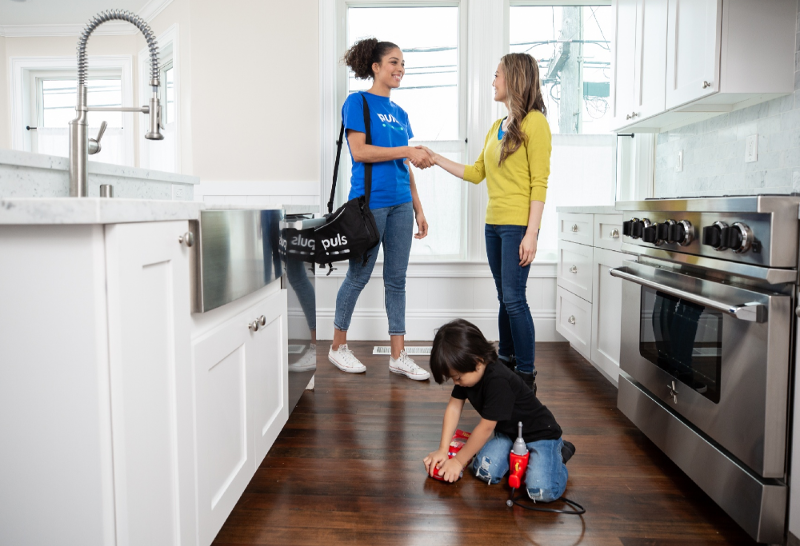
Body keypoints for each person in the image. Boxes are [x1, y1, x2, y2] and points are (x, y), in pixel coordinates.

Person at [420, 53, 551, 393]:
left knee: (514, 299)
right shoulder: (497, 127)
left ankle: (526, 374)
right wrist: (435, 158)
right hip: (493, 226)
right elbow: (476, 173)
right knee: (504, 298)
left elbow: (540, 182)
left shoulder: (535, 123)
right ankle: (505, 361)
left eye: (497, 75)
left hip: (518, 226)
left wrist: (531, 233)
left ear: (515, 79)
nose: (493, 82)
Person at [327, 38, 433, 381]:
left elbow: (407, 163)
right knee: (358, 275)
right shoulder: (357, 102)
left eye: (402, 63)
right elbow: (360, 152)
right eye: (393, 62)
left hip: (402, 204)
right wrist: (406, 148)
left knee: (396, 280)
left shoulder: (401, 114)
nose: (400, 68)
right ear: (375, 66)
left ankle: (398, 355)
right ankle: (337, 346)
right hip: (370, 205)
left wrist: (418, 208)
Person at [423, 319, 574, 502]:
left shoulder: (498, 380)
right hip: (509, 434)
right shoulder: (468, 373)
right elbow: (454, 407)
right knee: (483, 471)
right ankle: (527, 460)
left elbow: (485, 428)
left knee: (539, 490)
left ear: (477, 360)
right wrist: (442, 449)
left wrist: (457, 461)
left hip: (541, 435)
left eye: (457, 378)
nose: (456, 383)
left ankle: (560, 457)